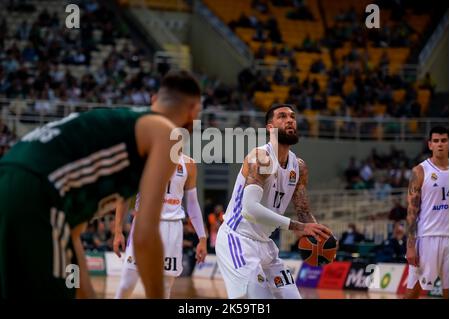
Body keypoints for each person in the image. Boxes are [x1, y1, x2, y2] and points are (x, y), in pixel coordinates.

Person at [0, 70, 202, 298]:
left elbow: (73, 236)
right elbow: (145, 234)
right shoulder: (167, 133)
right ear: (194, 110)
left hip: (11, 177)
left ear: (154, 100)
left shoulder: (116, 129)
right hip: (37, 191)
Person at [215, 104, 332, 299]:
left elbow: (303, 211)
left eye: (293, 117)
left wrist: (317, 235)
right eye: (282, 116)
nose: (290, 120)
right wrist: (297, 226)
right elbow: (250, 208)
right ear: (270, 127)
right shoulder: (261, 158)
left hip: (266, 244)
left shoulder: (299, 166)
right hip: (237, 239)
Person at [113, 153, 207, 299]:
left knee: (164, 288)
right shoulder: (143, 158)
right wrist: (118, 231)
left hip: (172, 228)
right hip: (145, 224)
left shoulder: (189, 164)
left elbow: (193, 204)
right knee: (127, 283)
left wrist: (202, 238)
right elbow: (124, 197)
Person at [405, 126, 449, 299]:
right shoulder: (420, 171)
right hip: (427, 238)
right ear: (430, 144)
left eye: (444, 140)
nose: (440, 145)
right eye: (436, 141)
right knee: (412, 293)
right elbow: (411, 212)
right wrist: (410, 246)